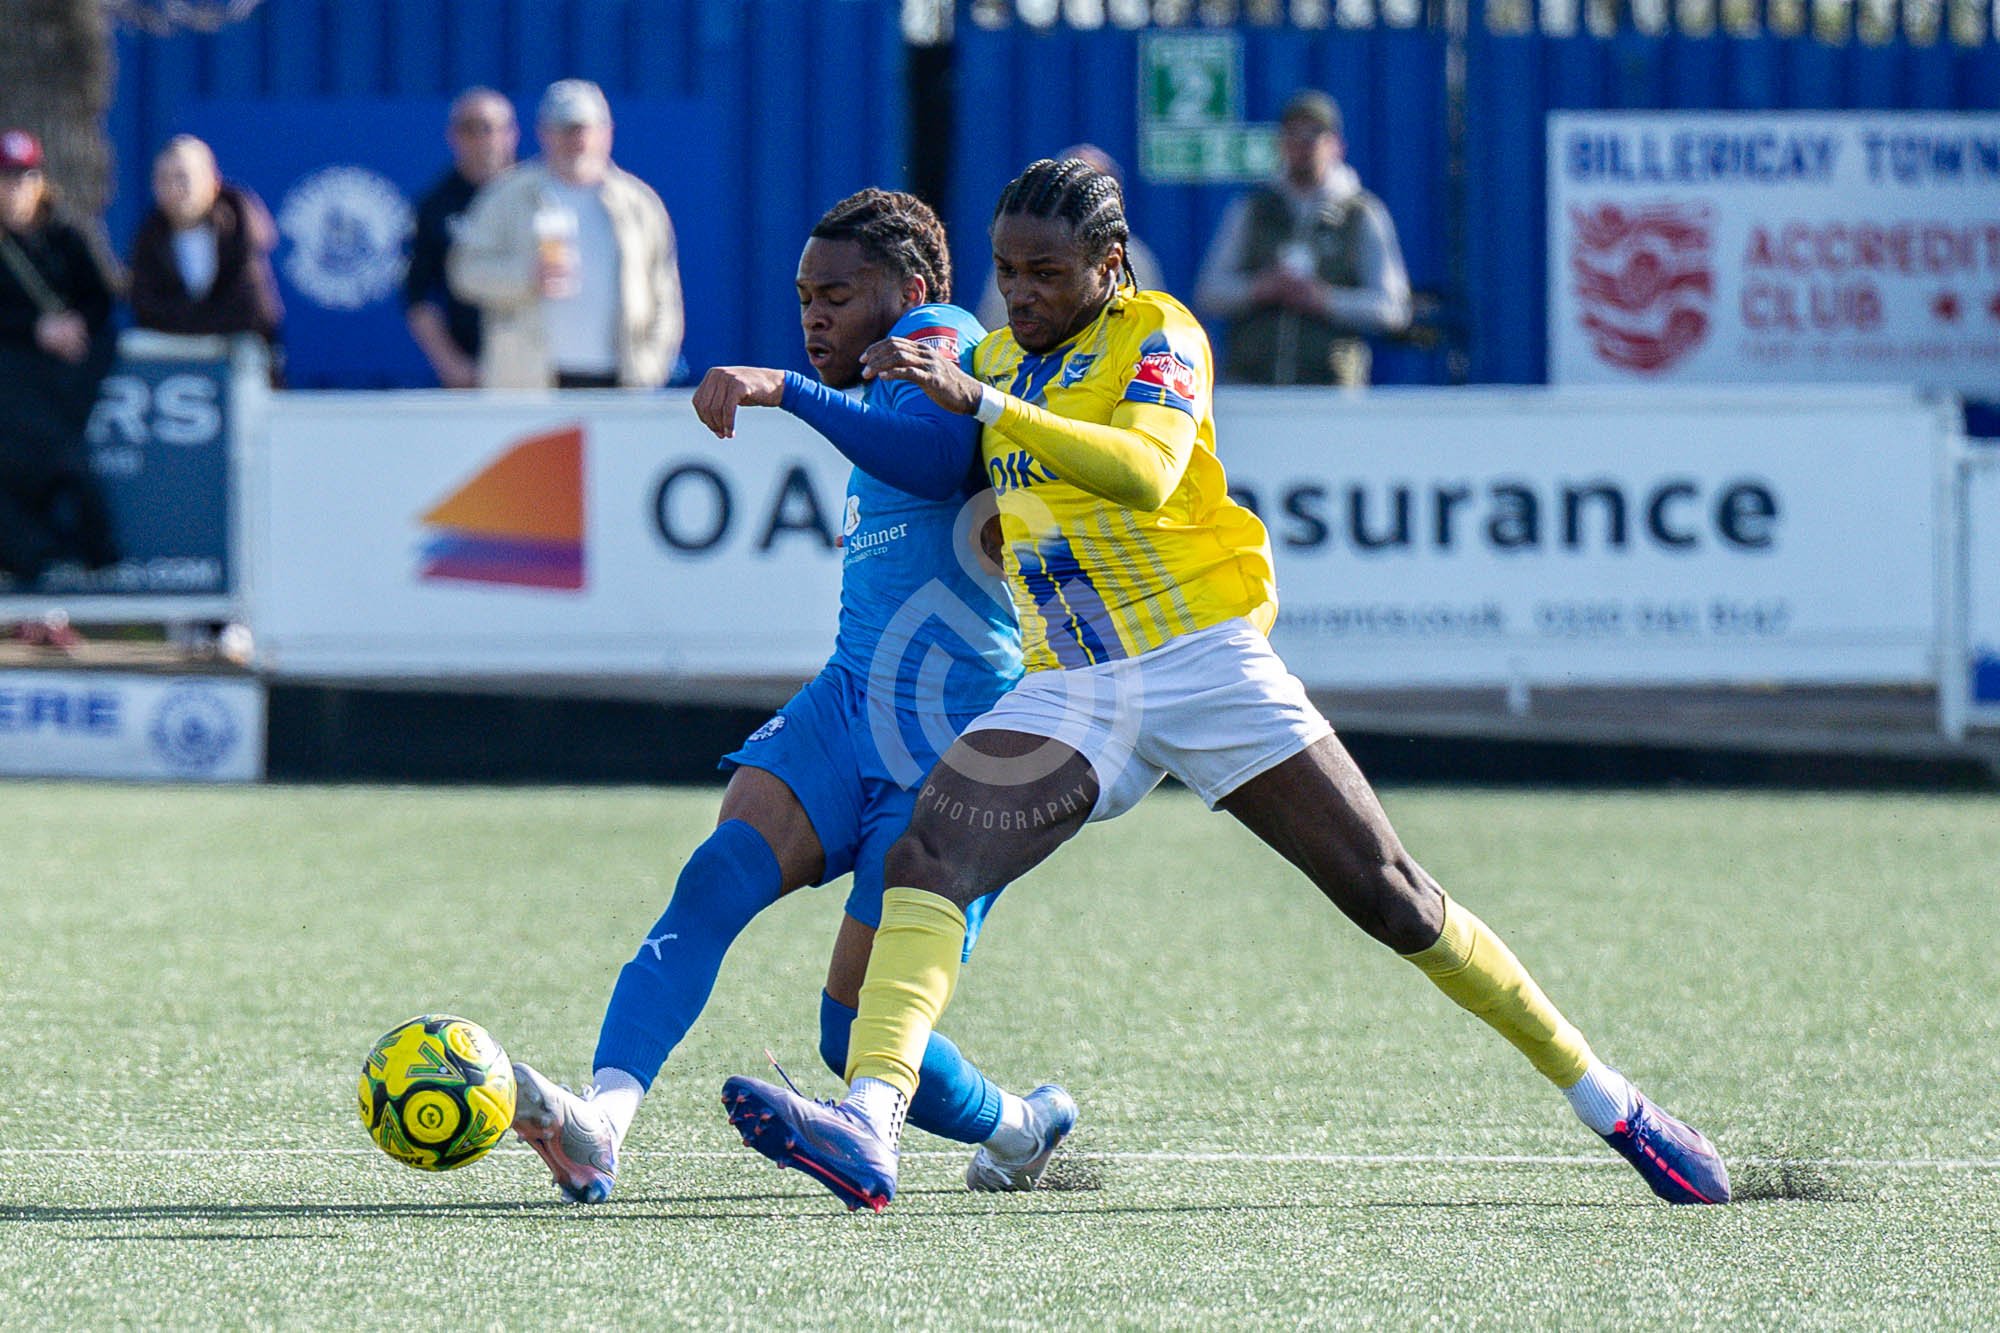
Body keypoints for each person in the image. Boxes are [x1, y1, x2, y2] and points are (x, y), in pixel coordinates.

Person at [722, 158, 1731, 1212]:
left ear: (1109, 266)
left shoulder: (1156, 332)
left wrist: (980, 399)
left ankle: (1611, 1103)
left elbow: (1146, 468)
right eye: (1006, 272)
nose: (1019, 294)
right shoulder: (993, 355)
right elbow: (915, 428)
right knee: (931, 849)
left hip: (1204, 664)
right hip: (1074, 683)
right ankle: (871, 1123)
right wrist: (857, 368)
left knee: (1394, 900)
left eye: (1046, 273)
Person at [506, 188, 1072, 1204]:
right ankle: (602, 1120)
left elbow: (942, 457)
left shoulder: (939, 337)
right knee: (714, 875)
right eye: (803, 297)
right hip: (849, 700)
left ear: (905, 291)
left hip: (952, 735)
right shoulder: (869, 382)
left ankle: (1020, 1128)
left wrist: (789, 392)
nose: (812, 317)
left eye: (835, 295)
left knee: (846, 1030)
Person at [447, 79, 682, 390]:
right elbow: (465, 272)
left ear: (607, 133)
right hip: (529, 383)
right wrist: (526, 277)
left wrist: (653, 365)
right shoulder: (507, 196)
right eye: (565, 128)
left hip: (622, 382)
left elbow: (664, 294)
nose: (576, 139)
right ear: (543, 133)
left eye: (584, 128)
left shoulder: (638, 205)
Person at [1194, 90, 1411, 387]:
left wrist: (1324, 300)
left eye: (1315, 134)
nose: (1304, 144)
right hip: (1251, 386)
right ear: (1281, 144)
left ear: (1336, 145)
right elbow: (1209, 292)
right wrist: (1260, 289)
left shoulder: (1361, 215)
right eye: (1293, 134)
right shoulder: (1253, 209)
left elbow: (1392, 309)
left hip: (1330, 392)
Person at [0, 128, 118, 629]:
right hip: (14, 390)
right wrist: (36, 329)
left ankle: (87, 561)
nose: (14, 189)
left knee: (63, 464)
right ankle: (44, 578)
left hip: (64, 387)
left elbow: (102, 297)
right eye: (6, 179)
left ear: (41, 180)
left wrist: (72, 327)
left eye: (24, 177)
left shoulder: (67, 236)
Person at [974, 144, 1164, 331]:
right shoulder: (1018, 254)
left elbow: (1148, 324)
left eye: (1046, 273)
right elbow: (994, 323)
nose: (1020, 297)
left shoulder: (1136, 261)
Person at [403, 88, 517, 388]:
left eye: (489, 128)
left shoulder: (541, 195)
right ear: (452, 135)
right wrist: (450, 362)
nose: (482, 139)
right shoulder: (435, 206)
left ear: (511, 134)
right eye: (469, 128)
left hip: (539, 360)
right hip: (471, 365)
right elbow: (418, 295)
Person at [127, 135, 283, 353]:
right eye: (164, 179)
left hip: (236, 359)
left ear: (213, 182)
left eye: (183, 178)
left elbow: (251, 310)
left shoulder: (241, 234)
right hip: (175, 364)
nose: (174, 189)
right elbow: (146, 307)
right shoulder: (147, 240)